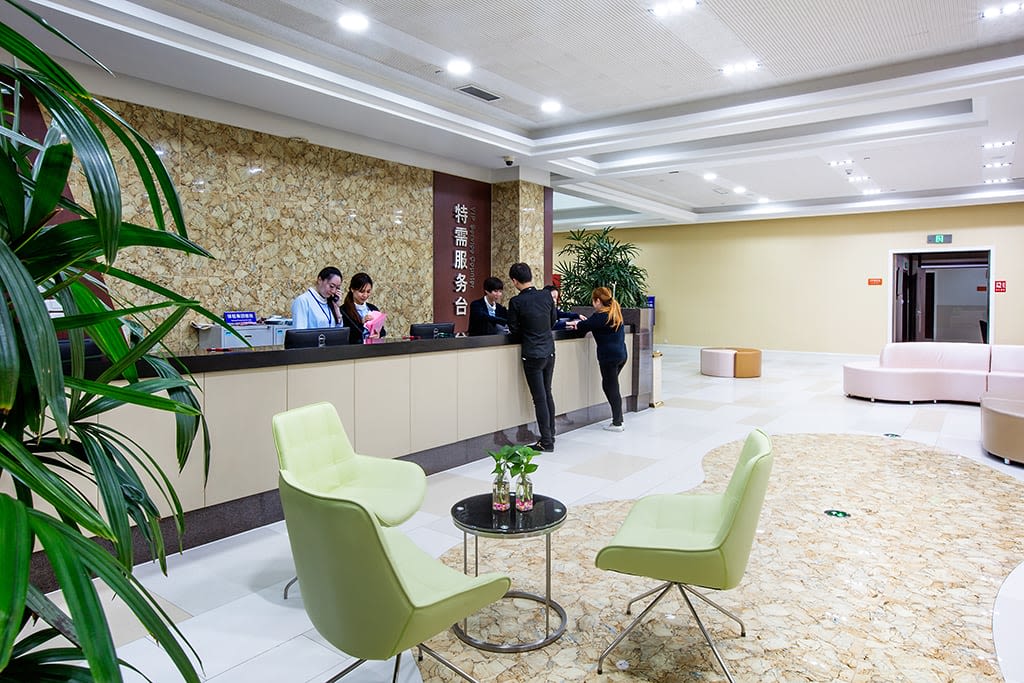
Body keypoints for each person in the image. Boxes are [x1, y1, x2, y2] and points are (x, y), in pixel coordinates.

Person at [507, 262, 557, 452]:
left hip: (532, 354)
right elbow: (552, 320)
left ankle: (546, 441)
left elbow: (514, 329)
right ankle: (551, 434)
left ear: (514, 281)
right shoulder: (546, 295)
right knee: (547, 393)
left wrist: (528, 332)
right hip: (549, 351)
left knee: (539, 398)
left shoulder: (516, 302)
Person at [567, 287, 628, 432]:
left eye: (593, 301)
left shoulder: (599, 317)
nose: (593, 304)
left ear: (598, 301)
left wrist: (574, 323)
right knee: (611, 386)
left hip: (609, 358)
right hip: (621, 355)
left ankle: (618, 423)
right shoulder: (614, 313)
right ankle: (618, 420)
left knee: (611, 387)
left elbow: (583, 327)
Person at [339, 272, 386, 344]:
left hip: (372, 348)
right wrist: (361, 323)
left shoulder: (372, 308)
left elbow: (382, 330)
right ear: (352, 289)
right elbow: (345, 336)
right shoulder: (343, 311)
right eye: (361, 291)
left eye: (368, 291)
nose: (365, 295)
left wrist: (378, 335)